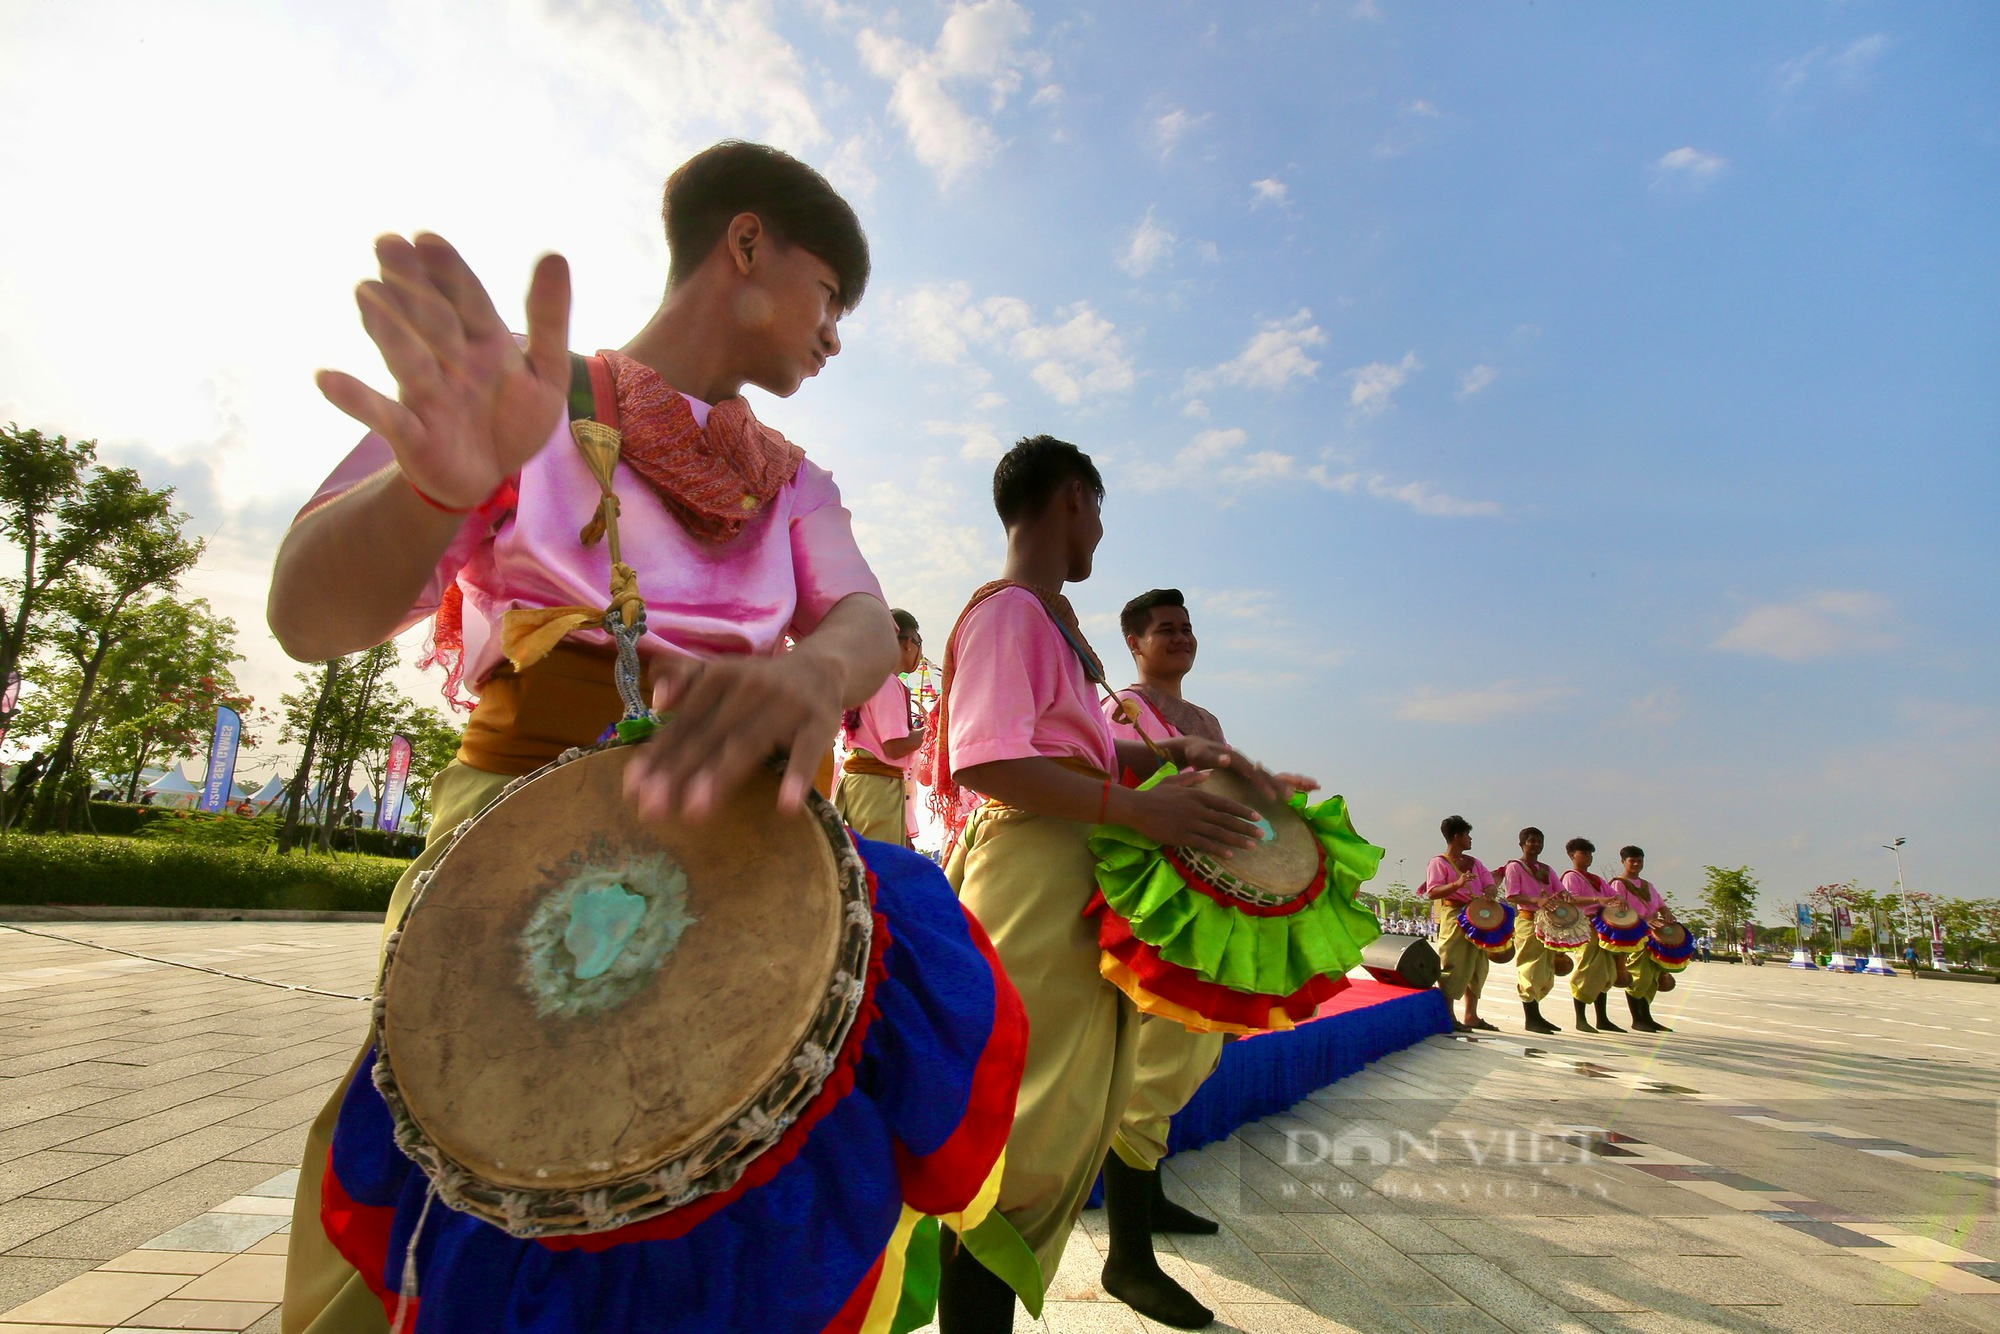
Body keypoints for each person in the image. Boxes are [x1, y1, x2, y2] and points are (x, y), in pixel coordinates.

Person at [268, 141, 1020, 1334]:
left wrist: (815, 674)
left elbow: (866, 619)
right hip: (520, 851)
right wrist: (427, 491)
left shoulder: (793, 483)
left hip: (755, 857)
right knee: (469, 1193)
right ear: (746, 245)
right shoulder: (520, 396)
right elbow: (303, 615)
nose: (834, 336)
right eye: (832, 298)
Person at [928, 437, 1291, 1332]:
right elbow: (990, 761)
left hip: (1067, 865)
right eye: (1098, 510)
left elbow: (1064, 746)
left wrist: (1167, 754)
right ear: (1073, 503)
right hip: (1032, 869)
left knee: (1056, 1119)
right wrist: (1141, 812)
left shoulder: (1052, 623)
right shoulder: (1011, 612)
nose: (1100, 531)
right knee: (1022, 1123)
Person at [1098, 589, 1229, 1242]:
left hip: (1203, 896)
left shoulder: (1205, 715)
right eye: (1164, 629)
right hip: (1149, 896)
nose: (1180, 637)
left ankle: (1148, 1200)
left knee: (1194, 1049)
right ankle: (1129, 1248)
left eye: (1186, 628)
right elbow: (1111, 775)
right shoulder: (1122, 707)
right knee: (1156, 1057)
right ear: (1135, 644)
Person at [832, 607, 924, 845]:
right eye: (919, 642)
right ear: (907, 644)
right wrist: (933, 730)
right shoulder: (886, 681)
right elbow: (894, 746)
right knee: (878, 867)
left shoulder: (867, 678)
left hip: (862, 784)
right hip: (876, 788)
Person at [1425, 815, 1497, 1033]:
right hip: (1455, 914)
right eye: (1467, 835)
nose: (1470, 839)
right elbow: (1432, 891)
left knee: (1478, 965)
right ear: (1457, 837)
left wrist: (1491, 889)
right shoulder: (1439, 862)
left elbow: (1489, 882)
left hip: (1479, 916)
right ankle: (1448, 1014)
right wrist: (1457, 883)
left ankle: (1471, 1015)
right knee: (1453, 963)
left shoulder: (1475, 863)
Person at [1605, 845, 1676, 1033]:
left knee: (1651, 978)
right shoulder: (1618, 884)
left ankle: (1647, 1017)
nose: (1636, 864)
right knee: (1639, 975)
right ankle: (1637, 1018)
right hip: (1634, 935)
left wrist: (1667, 914)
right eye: (1632, 861)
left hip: (1653, 936)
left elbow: (1661, 905)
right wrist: (1645, 920)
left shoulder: (1648, 885)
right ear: (1623, 862)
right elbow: (1619, 911)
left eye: (1639, 860)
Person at [1500, 827, 1562, 1035]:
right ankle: (1531, 1018)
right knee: (1529, 967)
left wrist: (1565, 897)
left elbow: (1560, 890)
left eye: (1539, 841)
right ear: (1522, 844)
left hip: (1549, 922)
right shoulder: (1515, 867)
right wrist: (1536, 900)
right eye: (1532, 841)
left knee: (1545, 969)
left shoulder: (1546, 869)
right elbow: (1512, 896)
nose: (1536, 845)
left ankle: (1537, 1015)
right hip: (1528, 919)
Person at [1560, 837, 1622, 1033]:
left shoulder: (1595, 879)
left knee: (1603, 971)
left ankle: (1602, 1018)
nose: (1588, 857)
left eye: (1590, 854)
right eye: (1584, 853)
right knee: (1586, 968)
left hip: (1602, 926)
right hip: (1585, 925)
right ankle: (1581, 1018)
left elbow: (1612, 894)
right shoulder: (1571, 876)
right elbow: (1572, 899)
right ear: (1572, 855)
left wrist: (1619, 898)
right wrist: (1598, 899)